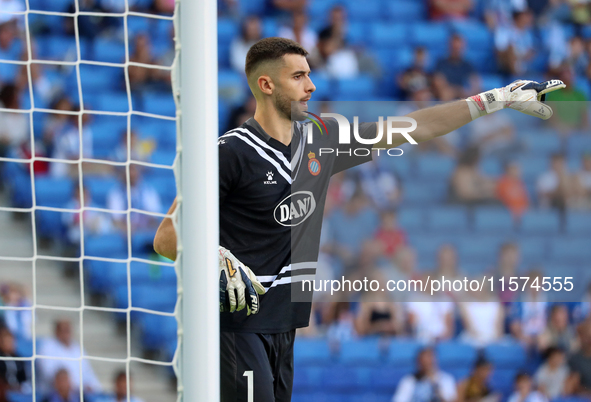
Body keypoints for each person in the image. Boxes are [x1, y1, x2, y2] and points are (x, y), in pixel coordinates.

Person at [153, 36, 565, 401]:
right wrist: (215, 255)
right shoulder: (228, 153)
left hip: (284, 325)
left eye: (309, 75)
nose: (311, 86)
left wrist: (494, 99)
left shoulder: (320, 139)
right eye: (298, 76)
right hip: (238, 327)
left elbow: (416, 126)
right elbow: (165, 242)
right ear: (266, 84)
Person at [37, 320, 102, 393]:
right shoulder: (47, 347)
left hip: (79, 392)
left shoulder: (78, 348)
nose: (66, 333)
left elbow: (88, 372)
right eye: (63, 330)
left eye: (68, 330)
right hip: (54, 393)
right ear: (56, 331)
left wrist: (93, 386)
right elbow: (48, 373)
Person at [434, 34, 478, 98]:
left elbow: (475, 85)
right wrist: (457, 91)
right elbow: (439, 83)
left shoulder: (468, 65)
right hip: (448, 95)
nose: (456, 51)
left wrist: (466, 92)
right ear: (449, 47)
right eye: (454, 48)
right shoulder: (441, 64)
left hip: (463, 95)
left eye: (458, 48)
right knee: (446, 94)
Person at [0, 327, 28, 392]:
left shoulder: (18, 358)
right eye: (6, 341)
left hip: (18, 389)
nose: (10, 344)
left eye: (11, 341)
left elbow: (23, 377)